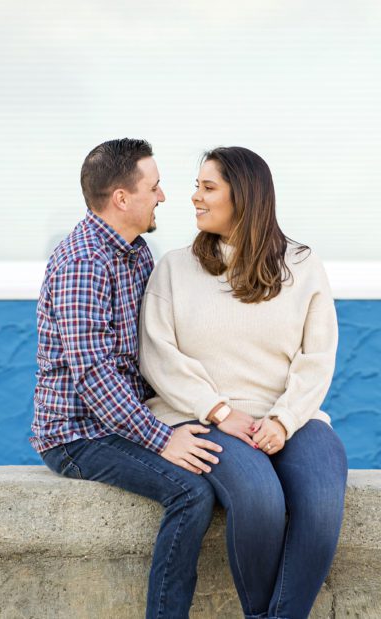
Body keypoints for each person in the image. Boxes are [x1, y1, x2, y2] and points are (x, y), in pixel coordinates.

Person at [138, 146, 348, 619]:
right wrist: (218, 411)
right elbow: (157, 354)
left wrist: (285, 419)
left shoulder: (303, 265)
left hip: (290, 416)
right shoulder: (173, 268)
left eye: (207, 187)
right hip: (203, 416)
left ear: (245, 196)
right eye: (197, 186)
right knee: (259, 499)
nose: (193, 197)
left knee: (320, 505)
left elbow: (317, 357)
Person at [31, 138, 225, 618]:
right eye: (154, 186)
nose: (163, 196)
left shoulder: (137, 252)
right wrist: (162, 439)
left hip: (123, 420)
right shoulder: (83, 262)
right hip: (77, 435)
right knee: (191, 491)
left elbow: (156, 344)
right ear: (122, 198)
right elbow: (94, 374)